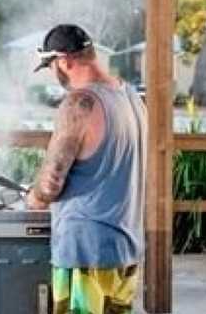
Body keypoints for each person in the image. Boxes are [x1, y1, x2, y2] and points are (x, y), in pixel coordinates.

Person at [26, 24, 147, 314]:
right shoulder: (132, 98)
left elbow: (51, 183)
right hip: (126, 248)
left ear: (65, 61)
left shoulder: (80, 103)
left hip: (86, 251)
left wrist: (34, 197)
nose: (55, 74)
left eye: (52, 65)